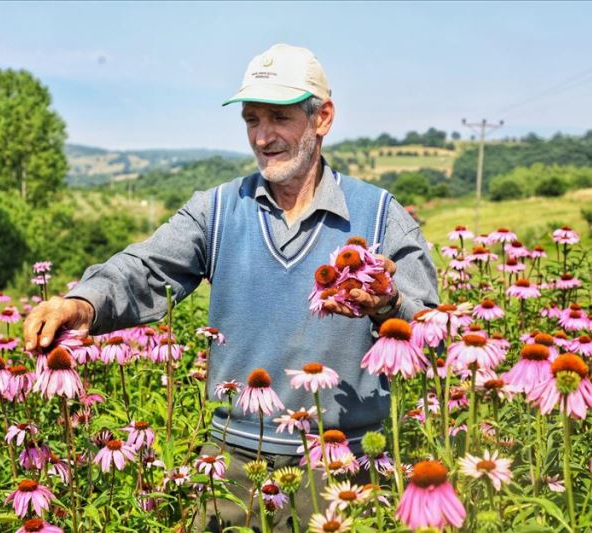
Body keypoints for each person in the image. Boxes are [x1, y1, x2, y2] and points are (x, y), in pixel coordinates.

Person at [23, 43, 438, 529]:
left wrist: (387, 304)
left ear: (322, 117)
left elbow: (433, 331)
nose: (262, 137)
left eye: (279, 118)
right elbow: (145, 268)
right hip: (233, 465)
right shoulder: (218, 210)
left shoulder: (380, 215)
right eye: (251, 120)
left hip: (342, 465)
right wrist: (83, 303)